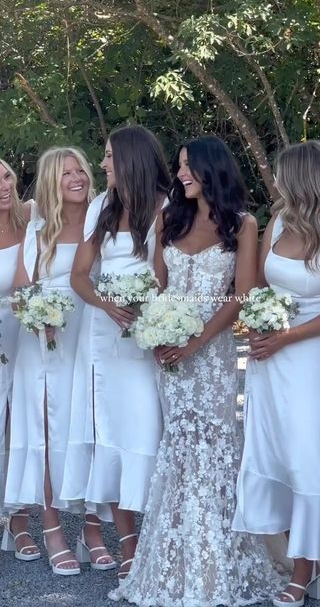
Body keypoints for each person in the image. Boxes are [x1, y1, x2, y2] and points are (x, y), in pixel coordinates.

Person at [109, 134, 281, 605]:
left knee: (215, 448)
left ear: (212, 169)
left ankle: (214, 568)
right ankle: (173, 562)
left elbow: (241, 293)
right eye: (179, 165)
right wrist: (157, 334)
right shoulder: (169, 218)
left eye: (188, 166)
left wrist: (197, 342)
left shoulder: (243, 224)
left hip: (213, 356)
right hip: (171, 355)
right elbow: (157, 285)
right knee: (180, 449)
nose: (181, 173)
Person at [233, 140, 320, 607]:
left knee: (307, 457)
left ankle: (308, 570)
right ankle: (290, 557)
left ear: (303, 177)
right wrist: (259, 325)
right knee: (273, 451)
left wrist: (286, 337)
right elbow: (262, 288)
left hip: (311, 355)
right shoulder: (279, 221)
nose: (276, 184)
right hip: (270, 356)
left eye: (283, 175)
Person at [61, 125, 171, 578]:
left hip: (148, 332)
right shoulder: (101, 209)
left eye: (108, 156)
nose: (102, 164)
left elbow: (167, 274)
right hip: (103, 333)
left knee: (146, 429)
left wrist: (148, 308)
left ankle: (158, 539)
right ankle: (128, 544)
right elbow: (80, 275)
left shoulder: (166, 206)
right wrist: (107, 305)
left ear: (130, 159)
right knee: (108, 430)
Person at [3, 147, 104, 575]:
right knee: (45, 435)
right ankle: (52, 533)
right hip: (46, 344)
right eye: (65, 173)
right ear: (51, 181)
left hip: (94, 337)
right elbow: (23, 289)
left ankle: (93, 531)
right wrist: (39, 318)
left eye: (80, 169)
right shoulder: (38, 229)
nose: (77, 177)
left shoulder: (106, 218)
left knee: (95, 429)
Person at [0, 158, 36, 560]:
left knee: (20, 425)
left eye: (6, 176)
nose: (4, 186)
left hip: (28, 330)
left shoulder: (33, 219)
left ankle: (19, 522)